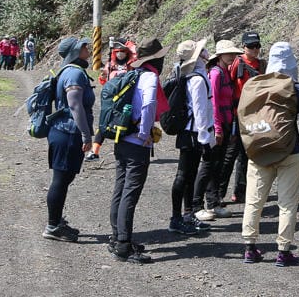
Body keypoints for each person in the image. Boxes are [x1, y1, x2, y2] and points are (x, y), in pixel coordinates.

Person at [239, 42, 299, 266]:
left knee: (254, 201)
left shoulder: (253, 85)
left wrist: (249, 147)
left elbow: (242, 117)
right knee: (287, 203)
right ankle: (283, 251)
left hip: (258, 150)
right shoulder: (298, 89)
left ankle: (249, 248)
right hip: (290, 151)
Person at [108, 37, 168, 264]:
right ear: (155, 59)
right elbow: (149, 104)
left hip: (122, 137)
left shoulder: (132, 74)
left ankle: (117, 238)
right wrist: (144, 133)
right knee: (130, 192)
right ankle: (123, 245)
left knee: (120, 187)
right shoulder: (150, 77)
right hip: (136, 142)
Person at [42, 36, 95, 242]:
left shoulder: (69, 71)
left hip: (63, 132)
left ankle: (56, 221)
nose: (87, 48)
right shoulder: (74, 73)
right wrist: (86, 134)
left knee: (65, 178)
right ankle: (53, 226)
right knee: (61, 180)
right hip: (68, 133)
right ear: (75, 51)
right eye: (83, 46)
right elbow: (75, 105)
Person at [168, 39, 214, 235]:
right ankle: (176, 218)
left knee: (189, 175)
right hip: (193, 133)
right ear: (198, 56)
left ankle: (187, 215)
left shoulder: (191, 75)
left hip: (190, 132)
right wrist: (205, 140)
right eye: (202, 50)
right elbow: (200, 111)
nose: (206, 52)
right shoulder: (197, 79)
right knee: (183, 175)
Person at [195, 39, 242, 222]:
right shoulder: (216, 73)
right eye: (229, 53)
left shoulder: (225, 72)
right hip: (218, 126)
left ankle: (213, 203)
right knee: (208, 166)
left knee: (217, 166)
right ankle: (197, 205)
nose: (232, 56)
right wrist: (217, 129)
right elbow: (213, 103)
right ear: (220, 55)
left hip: (226, 124)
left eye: (233, 53)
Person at [220, 31, 265, 204]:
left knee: (247, 155)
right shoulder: (236, 63)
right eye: (251, 46)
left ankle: (240, 192)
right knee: (230, 154)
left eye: (257, 46)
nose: (255, 49)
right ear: (243, 47)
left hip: (254, 114)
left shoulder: (262, 65)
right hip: (237, 114)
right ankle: (218, 194)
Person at [89, 39, 136, 161]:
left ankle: (122, 152)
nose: (120, 54)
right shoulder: (110, 65)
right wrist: (103, 77)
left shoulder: (132, 65)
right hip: (110, 98)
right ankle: (94, 151)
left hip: (125, 99)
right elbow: (104, 82)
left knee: (123, 123)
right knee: (104, 122)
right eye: (117, 51)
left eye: (123, 51)